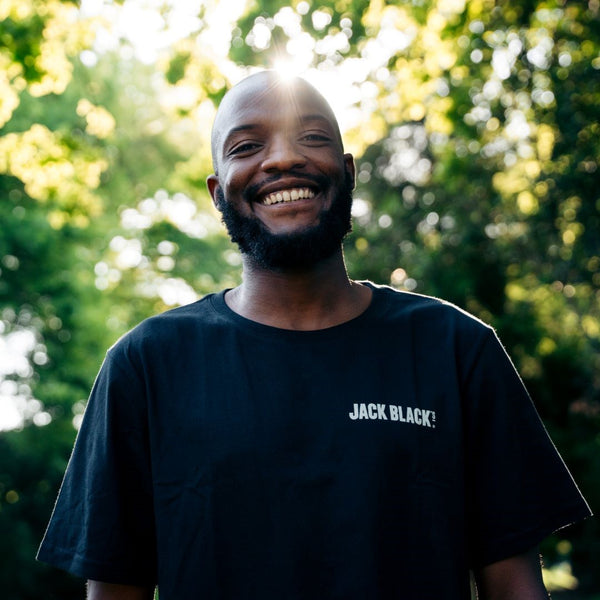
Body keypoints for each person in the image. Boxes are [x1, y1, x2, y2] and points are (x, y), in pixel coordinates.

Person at [38, 71, 591, 599]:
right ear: (216, 191)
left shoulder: (457, 349)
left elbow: (513, 582)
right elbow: (114, 590)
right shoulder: (145, 366)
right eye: (246, 146)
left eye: (311, 137)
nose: (283, 158)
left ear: (348, 170)